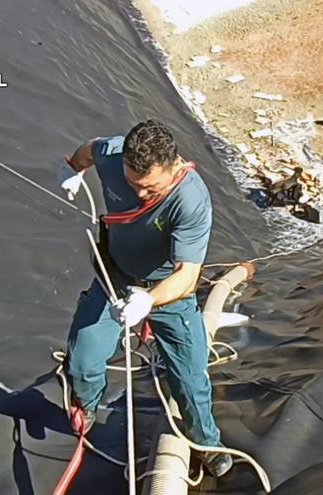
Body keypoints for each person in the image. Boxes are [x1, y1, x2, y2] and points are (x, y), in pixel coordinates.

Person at [58, 120, 233, 477]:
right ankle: (86, 405)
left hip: (168, 292)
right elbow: (91, 148)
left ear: (174, 168)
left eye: (150, 188)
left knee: (189, 376)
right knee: (84, 355)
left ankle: (206, 443)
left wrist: (148, 302)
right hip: (116, 279)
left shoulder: (190, 200)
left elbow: (187, 276)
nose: (139, 194)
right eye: (134, 184)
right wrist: (71, 169)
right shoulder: (113, 153)